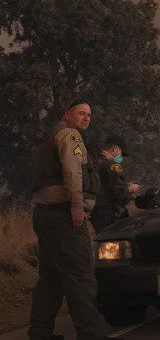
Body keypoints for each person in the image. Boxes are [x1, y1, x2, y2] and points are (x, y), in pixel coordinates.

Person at [29, 99, 111, 340]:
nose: (86, 118)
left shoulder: (47, 138)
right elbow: (73, 173)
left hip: (44, 215)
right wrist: (77, 209)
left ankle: (40, 333)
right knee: (81, 278)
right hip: (65, 216)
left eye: (89, 114)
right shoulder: (70, 136)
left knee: (51, 278)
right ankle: (91, 334)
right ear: (68, 114)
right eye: (81, 113)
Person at [90, 135, 140, 233]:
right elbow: (120, 195)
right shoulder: (112, 165)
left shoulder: (94, 162)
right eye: (121, 153)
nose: (121, 157)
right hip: (110, 214)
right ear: (115, 148)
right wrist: (130, 189)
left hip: (96, 212)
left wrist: (125, 186)